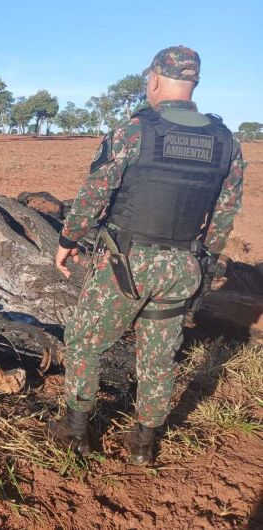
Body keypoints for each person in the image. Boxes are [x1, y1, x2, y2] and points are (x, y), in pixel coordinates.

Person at [48, 46, 246, 465]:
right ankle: (143, 445)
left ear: (154, 78)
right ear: (193, 83)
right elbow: (225, 214)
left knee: (84, 342)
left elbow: (94, 195)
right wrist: (204, 263)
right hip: (183, 266)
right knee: (159, 357)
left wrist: (68, 239)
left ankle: (75, 432)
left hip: (126, 262)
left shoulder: (133, 132)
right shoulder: (226, 142)